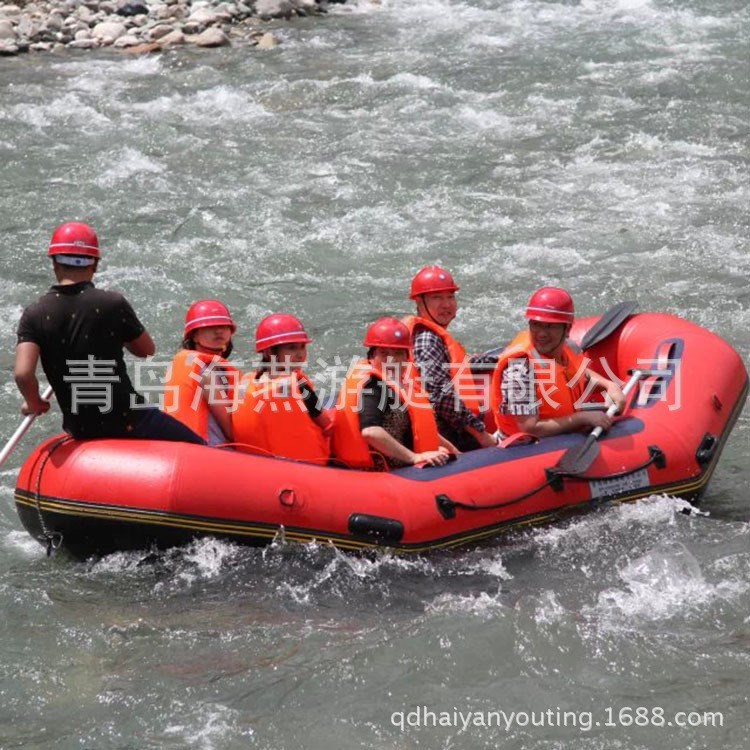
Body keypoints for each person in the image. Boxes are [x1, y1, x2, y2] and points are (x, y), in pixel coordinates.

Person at [14, 221, 204, 444]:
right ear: (94, 265)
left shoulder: (34, 313)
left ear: (54, 263)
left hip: (81, 429)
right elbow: (146, 351)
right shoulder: (112, 303)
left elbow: (23, 374)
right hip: (130, 420)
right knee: (202, 448)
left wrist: (33, 401)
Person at [491, 287, 626, 438]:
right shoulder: (519, 369)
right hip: (527, 448)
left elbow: (578, 375)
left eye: (551, 326)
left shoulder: (568, 349)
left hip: (565, 436)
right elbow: (529, 428)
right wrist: (582, 418)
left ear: (567, 328)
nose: (541, 333)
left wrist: (609, 386)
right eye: (536, 325)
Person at [331, 317, 455, 470]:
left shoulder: (403, 385)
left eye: (398, 353)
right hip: (383, 472)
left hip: (406, 461)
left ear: (406, 358)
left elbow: (421, 429)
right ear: (371, 357)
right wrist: (414, 457)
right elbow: (370, 432)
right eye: (384, 354)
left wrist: (455, 451)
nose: (392, 360)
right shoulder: (374, 387)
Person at [403, 265, 498, 451]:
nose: (446, 304)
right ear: (419, 302)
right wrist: (481, 433)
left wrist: (500, 360)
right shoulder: (427, 340)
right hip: (444, 435)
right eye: (437, 298)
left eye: (450, 297)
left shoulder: (431, 335)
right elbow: (440, 396)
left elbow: (455, 364)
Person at [232, 313, 332, 464]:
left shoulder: (244, 384)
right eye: (292, 348)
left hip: (257, 468)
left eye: (302, 347)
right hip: (307, 468)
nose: (300, 354)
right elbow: (327, 425)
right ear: (270, 352)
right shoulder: (298, 385)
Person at [164, 300, 240, 446]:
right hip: (209, 452)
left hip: (185, 449)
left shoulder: (190, 363)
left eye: (224, 327)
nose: (219, 331)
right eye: (210, 327)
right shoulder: (205, 372)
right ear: (194, 336)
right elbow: (231, 431)